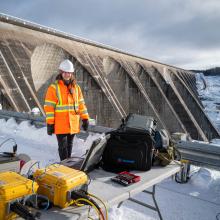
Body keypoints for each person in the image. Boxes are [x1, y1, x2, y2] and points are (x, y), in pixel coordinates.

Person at [44, 59, 89, 161]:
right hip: (60, 124)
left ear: (72, 73)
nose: (67, 74)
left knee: (69, 145)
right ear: (61, 72)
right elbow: (49, 107)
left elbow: (81, 104)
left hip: (73, 123)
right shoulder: (54, 88)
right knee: (63, 147)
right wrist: (50, 123)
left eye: (69, 72)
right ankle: (64, 166)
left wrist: (85, 119)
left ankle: (68, 165)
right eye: (65, 72)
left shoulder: (76, 88)